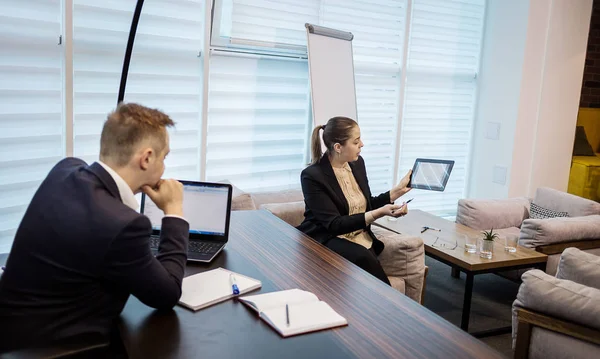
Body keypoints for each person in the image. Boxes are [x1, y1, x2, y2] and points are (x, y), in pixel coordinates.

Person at [0, 103, 189, 353]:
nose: (164, 166)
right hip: (50, 345)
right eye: (164, 157)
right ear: (146, 158)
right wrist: (174, 211)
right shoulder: (123, 224)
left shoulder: (65, 170)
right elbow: (167, 295)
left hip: (12, 324)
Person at [297, 116, 412, 285]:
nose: (362, 144)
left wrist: (396, 192)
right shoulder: (312, 176)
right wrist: (379, 213)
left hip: (357, 235)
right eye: (356, 141)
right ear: (338, 147)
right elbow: (334, 224)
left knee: (367, 259)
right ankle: (392, 306)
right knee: (364, 258)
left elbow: (365, 204)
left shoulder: (357, 164)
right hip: (326, 236)